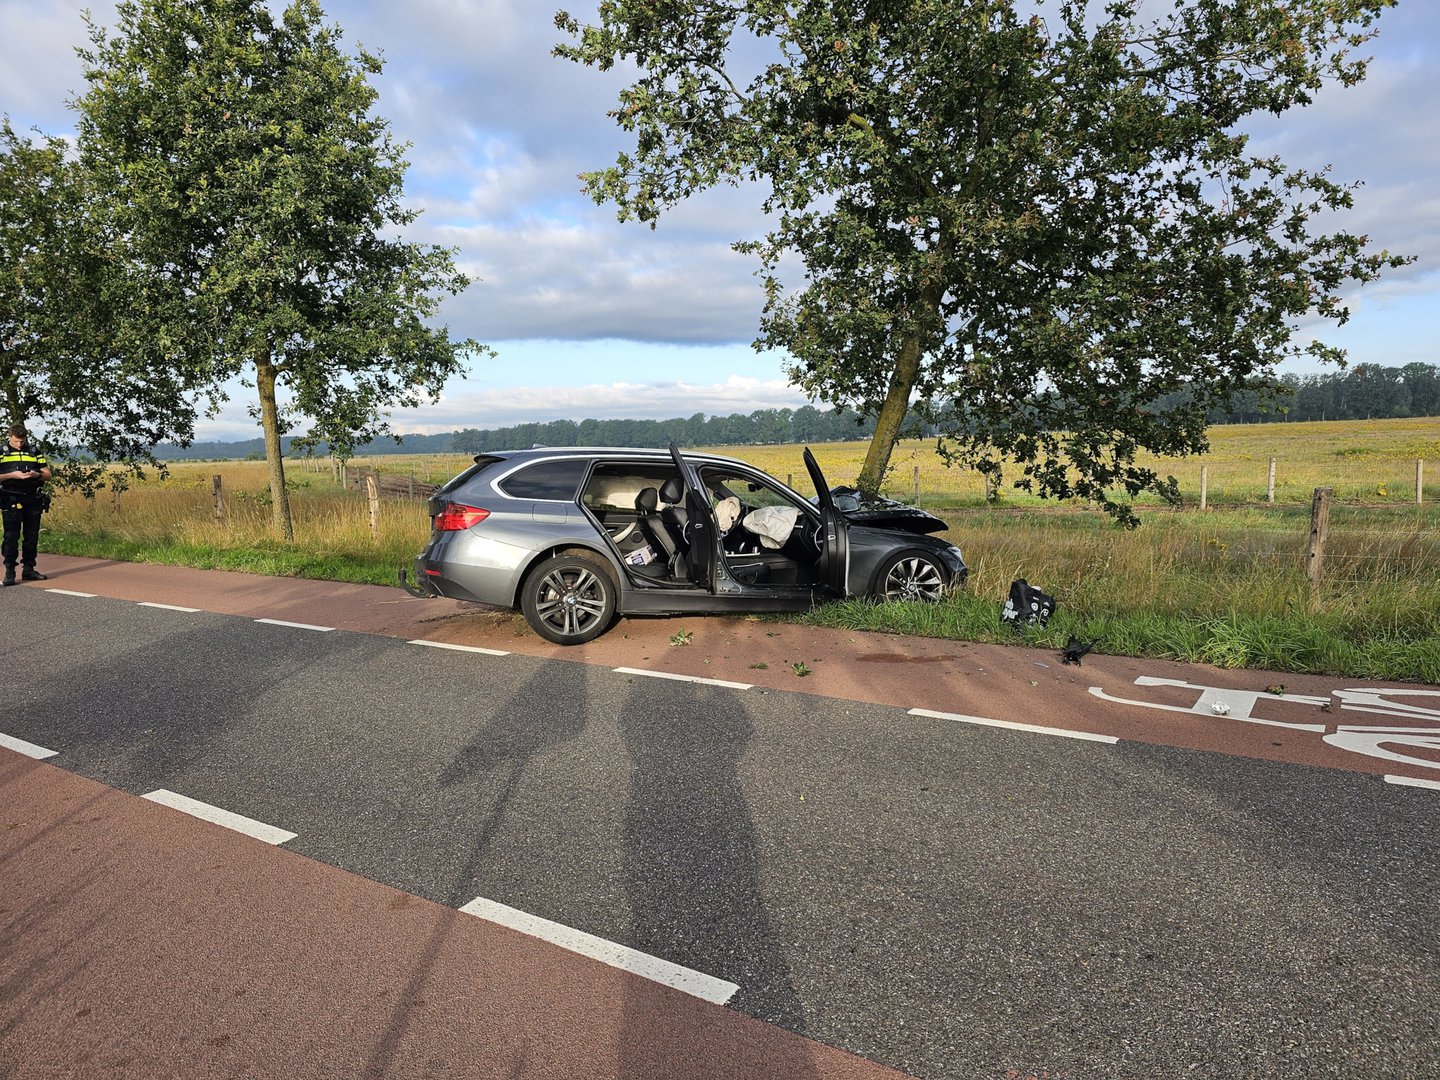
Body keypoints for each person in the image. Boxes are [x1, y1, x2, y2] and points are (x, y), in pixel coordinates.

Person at [0, 424, 51, 586]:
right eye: (16, 441)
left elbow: (48, 474)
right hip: (10, 498)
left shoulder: (34, 451)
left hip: (32, 498)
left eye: (22, 441)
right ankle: (10, 570)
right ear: (9, 436)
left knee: (32, 536)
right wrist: (11, 475)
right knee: (11, 536)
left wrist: (37, 474)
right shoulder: (1, 451)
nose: (19, 445)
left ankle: (28, 569)